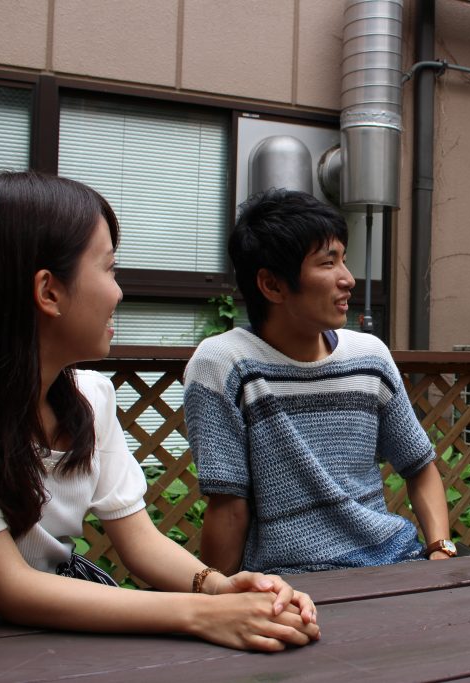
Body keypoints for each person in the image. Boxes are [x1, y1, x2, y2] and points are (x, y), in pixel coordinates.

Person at [0, 171, 319, 652]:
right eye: (109, 269)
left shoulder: (89, 395)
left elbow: (139, 541)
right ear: (48, 291)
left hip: (54, 641)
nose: (119, 292)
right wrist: (205, 614)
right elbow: (12, 587)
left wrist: (221, 588)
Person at [184, 189, 453, 576]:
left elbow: (419, 466)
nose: (348, 279)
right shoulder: (224, 365)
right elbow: (229, 508)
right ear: (272, 285)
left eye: (344, 259)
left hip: (394, 561)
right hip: (291, 582)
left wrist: (440, 550)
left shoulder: (369, 356)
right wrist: (217, 598)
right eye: (328, 263)